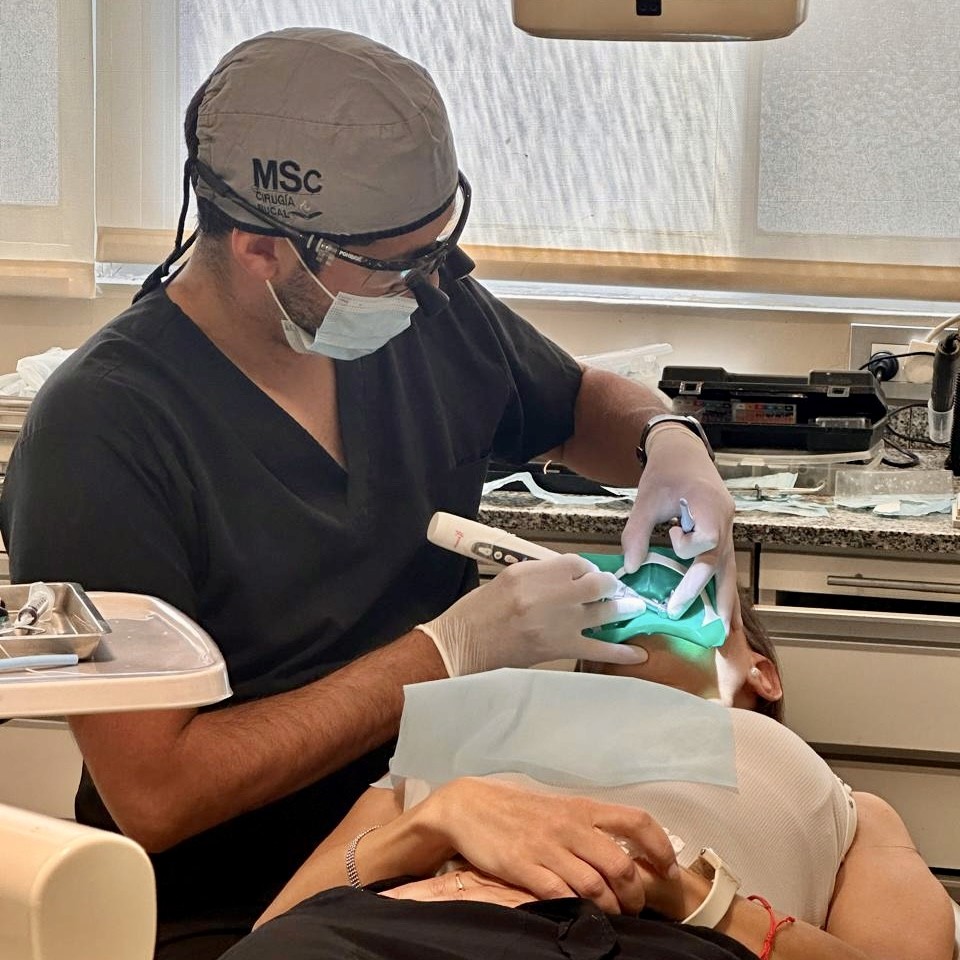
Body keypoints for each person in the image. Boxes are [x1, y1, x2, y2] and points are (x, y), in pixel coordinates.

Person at [0, 26, 738, 959]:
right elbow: (156, 796)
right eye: (395, 264)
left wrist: (668, 442)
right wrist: (450, 648)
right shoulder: (102, 435)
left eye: (436, 252)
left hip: (462, 843)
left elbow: (577, 401)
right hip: (245, 901)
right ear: (264, 245)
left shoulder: (421, 316)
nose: (428, 285)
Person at [218, 583, 957, 960]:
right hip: (378, 933)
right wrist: (435, 821)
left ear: (760, 674)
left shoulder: (845, 802)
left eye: (694, 598)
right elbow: (272, 930)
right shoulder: (477, 726)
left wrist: (699, 899)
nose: (655, 596)